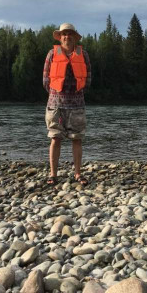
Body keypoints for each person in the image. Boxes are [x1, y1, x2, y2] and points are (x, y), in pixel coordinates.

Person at [43, 23, 91, 186]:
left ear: (75, 37)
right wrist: (56, 94)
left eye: (70, 33)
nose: (66, 36)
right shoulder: (51, 54)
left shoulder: (83, 54)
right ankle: (53, 174)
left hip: (77, 104)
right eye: (64, 34)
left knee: (77, 139)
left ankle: (77, 173)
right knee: (55, 138)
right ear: (60, 37)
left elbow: (89, 78)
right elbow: (45, 80)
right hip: (55, 104)